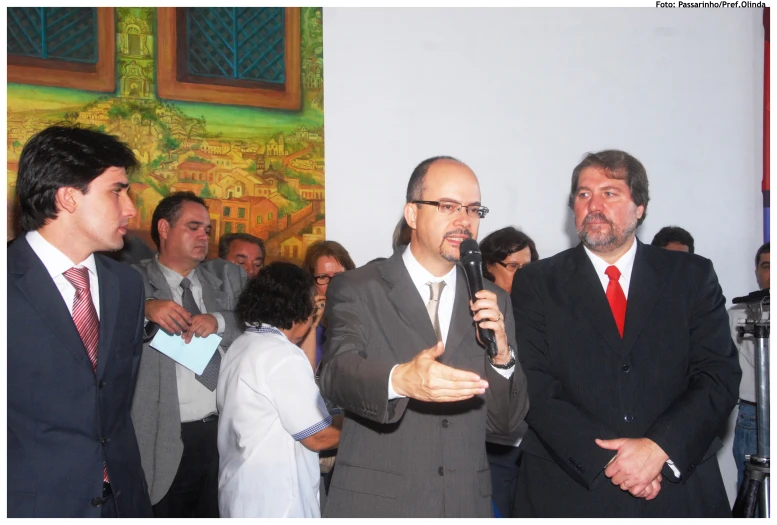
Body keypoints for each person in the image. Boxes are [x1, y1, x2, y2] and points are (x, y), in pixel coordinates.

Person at [511, 149, 740, 517]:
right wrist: (612, 462)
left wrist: (658, 449)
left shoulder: (690, 276)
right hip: (568, 488)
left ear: (641, 206)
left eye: (610, 192)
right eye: (584, 194)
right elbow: (532, 381)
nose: (594, 205)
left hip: (678, 488)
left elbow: (718, 374)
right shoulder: (537, 282)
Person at [319, 156, 529, 518]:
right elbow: (335, 375)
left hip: (464, 503)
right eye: (448, 206)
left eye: (474, 209)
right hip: (379, 504)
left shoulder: (495, 301)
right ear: (412, 215)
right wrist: (400, 379)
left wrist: (502, 358)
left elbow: (506, 425)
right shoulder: (359, 287)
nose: (464, 220)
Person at [7, 125, 153, 517]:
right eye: (116, 191)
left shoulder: (126, 285)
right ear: (68, 197)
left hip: (123, 503)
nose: (130, 209)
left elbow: (115, 407)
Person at [131, 192, 248, 517]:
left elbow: (257, 322)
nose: (203, 236)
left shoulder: (228, 276)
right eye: (193, 227)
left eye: (207, 230)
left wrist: (219, 320)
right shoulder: (132, 282)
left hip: (225, 430)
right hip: (164, 433)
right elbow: (105, 323)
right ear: (165, 228)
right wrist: (145, 309)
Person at [217, 262, 342, 517]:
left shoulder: (243, 345)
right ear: (301, 308)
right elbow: (318, 436)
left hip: (242, 494)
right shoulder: (281, 356)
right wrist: (366, 427)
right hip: (278, 504)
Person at [478, 225, 539, 518]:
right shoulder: (477, 315)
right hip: (492, 447)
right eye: (514, 266)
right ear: (488, 268)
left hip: (533, 447)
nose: (523, 275)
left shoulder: (540, 314)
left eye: (528, 267)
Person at [730, 242, 770, 489]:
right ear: (756, 272)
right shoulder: (739, 313)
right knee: (753, 496)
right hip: (754, 416)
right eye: (766, 266)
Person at [299, 240, 356, 370]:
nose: (332, 284)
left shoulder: (362, 314)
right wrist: (312, 323)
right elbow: (304, 373)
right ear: (311, 281)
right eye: (323, 277)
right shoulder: (302, 322)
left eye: (339, 276)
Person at [480, 226, 539, 294]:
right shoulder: (472, 300)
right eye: (513, 266)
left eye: (526, 267)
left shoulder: (535, 301)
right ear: (489, 265)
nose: (521, 273)